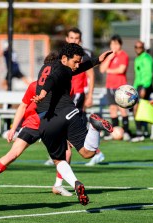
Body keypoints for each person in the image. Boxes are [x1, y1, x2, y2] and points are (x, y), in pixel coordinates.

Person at [0, 52, 73, 197]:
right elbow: (22, 107)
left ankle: (58, 185)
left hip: (52, 125)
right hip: (33, 124)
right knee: (13, 154)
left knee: (66, 152)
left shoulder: (63, 86)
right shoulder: (35, 86)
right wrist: (13, 129)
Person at [32, 43, 114, 205]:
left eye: (79, 62)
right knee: (87, 153)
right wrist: (43, 92)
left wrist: (97, 60)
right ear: (63, 58)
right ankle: (94, 127)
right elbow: (53, 79)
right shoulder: (61, 69)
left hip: (47, 120)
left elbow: (55, 76)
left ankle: (75, 183)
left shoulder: (49, 67)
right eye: (75, 62)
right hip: (69, 113)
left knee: (58, 159)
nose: (77, 66)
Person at [43, 27, 104, 166]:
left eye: (76, 38)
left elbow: (90, 75)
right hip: (65, 94)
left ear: (80, 40)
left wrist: (90, 95)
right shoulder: (64, 55)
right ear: (67, 39)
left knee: (70, 125)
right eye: (71, 38)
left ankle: (95, 152)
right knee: (70, 125)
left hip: (76, 93)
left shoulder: (83, 55)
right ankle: (61, 154)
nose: (74, 40)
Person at [99, 34, 131, 141]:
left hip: (121, 87)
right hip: (110, 86)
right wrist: (109, 59)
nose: (114, 46)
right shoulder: (109, 56)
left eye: (116, 44)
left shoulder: (124, 55)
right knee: (112, 109)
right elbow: (102, 69)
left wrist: (109, 70)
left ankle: (126, 131)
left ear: (120, 45)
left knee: (122, 109)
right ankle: (113, 131)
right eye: (112, 44)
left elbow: (121, 70)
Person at [131, 40, 153, 142]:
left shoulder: (147, 58)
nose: (138, 49)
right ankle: (142, 131)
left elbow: (148, 75)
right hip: (139, 86)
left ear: (143, 47)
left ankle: (140, 133)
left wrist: (144, 87)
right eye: (136, 47)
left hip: (145, 86)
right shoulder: (137, 59)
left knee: (138, 109)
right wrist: (134, 88)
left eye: (140, 47)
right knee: (138, 109)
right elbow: (137, 76)